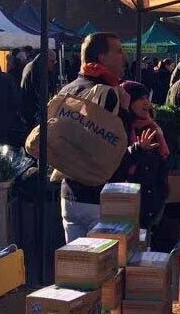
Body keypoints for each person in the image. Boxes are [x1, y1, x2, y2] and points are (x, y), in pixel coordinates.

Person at [58, 32, 143, 241]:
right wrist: (125, 110)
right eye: (118, 51)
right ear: (102, 57)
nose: (124, 57)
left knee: (75, 259)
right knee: (103, 260)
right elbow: (117, 144)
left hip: (69, 193)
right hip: (100, 195)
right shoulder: (108, 93)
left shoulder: (69, 89)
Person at [119, 80, 170, 229]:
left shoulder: (153, 126)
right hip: (129, 201)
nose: (147, 103)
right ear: (129, 102)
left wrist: (162, 195)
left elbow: (162, 162)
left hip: (153, 202)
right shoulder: (121, 127)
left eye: (147, 98)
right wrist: (137, 149)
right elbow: (118, 165)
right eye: (141, 99)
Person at [20, 49, 57, 130]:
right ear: (45, 59)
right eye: (52, 61)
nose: (54, 64)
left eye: (55, 61)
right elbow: (39, 94)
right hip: (33, 112)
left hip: (27, 109)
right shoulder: (38, 69)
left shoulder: (33, 65)